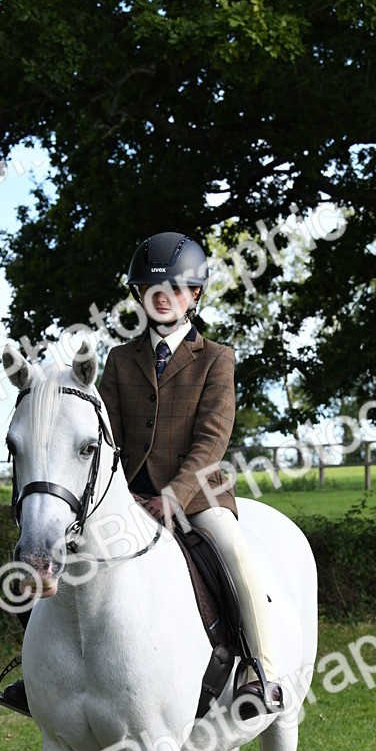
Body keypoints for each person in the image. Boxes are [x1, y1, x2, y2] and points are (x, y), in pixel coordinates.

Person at [98, 231, 283, 717]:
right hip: (129, 497)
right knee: (65, 553)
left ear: (194, 294)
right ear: (140, 296)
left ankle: (260, 672)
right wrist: (119, 496)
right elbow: (107, 440)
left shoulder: (218, 359)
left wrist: (173, 498)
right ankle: (44, 677)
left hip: (199, 498)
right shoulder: (118, 361)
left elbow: (211, 441)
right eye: (154, 289)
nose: (164, 297)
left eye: (176, 288)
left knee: (238, 557)